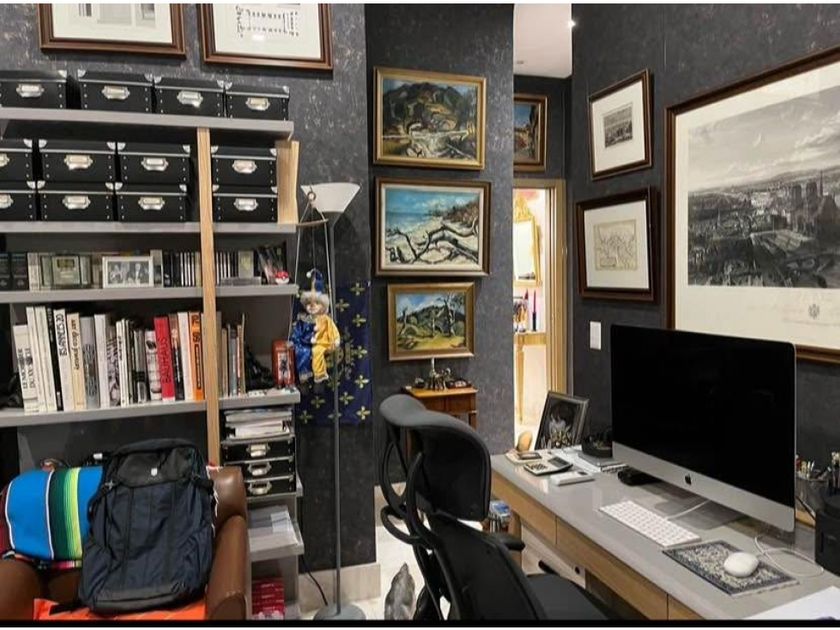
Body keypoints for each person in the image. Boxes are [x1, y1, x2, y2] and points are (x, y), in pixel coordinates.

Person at [289, 269, 340, 393]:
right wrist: (294, 340)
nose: (312, 306)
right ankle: (304, 380)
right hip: (304, 343)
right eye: (309, 303)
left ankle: (319, 378)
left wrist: (335, 340)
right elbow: (298, 332)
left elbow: (333, 330)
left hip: (322, 343)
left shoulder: (325, 319)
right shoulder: (303, 319)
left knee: (317, 352)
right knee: (302, 351)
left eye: (316, 303)